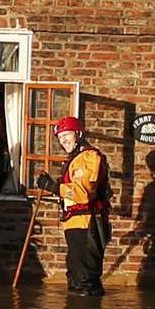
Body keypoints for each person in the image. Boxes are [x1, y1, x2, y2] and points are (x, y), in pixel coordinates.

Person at [53, 113, 113, 286]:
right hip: (75, 222)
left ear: (78, 134)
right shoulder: (74, 159)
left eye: (66, 135)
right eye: (60, 137)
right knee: (75, 274)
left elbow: (83, 193)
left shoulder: (88, 157)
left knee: (85, 277)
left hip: (88, 222)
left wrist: (55, 188)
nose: (62, 141)